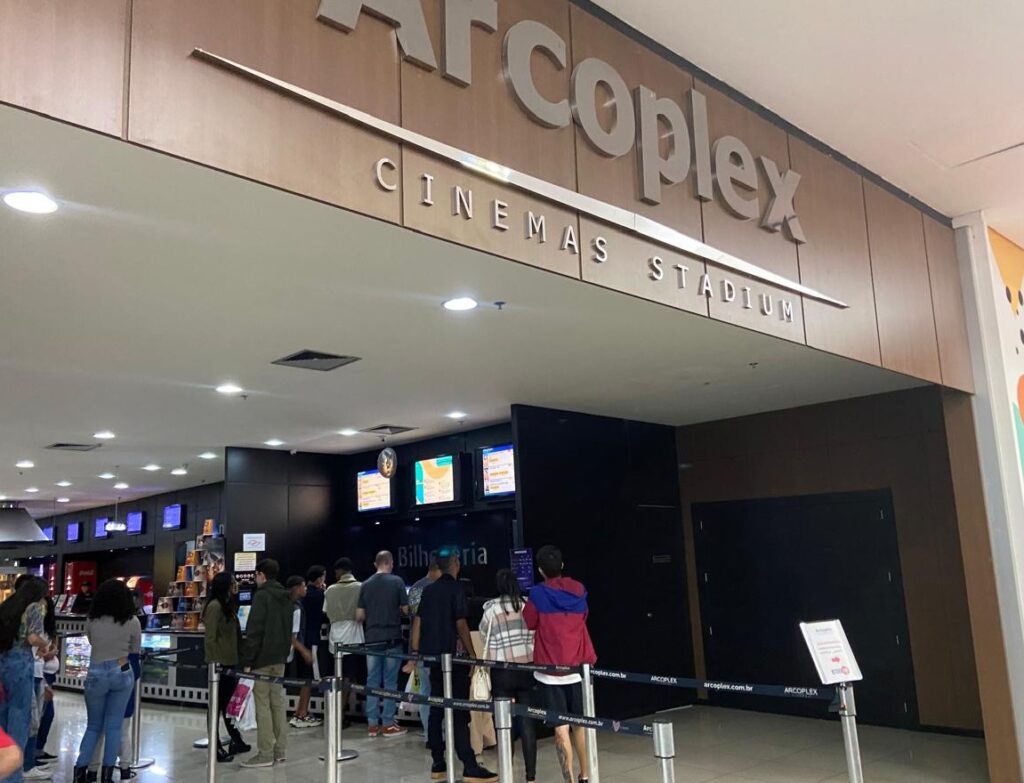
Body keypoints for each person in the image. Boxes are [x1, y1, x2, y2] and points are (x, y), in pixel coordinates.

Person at [407, 546, 497, 783]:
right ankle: (469, 765)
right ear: (455, 564)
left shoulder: (428, 591)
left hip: (433, 658)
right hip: (454, 660)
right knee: (459, 711)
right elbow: (461, 624)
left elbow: (417, 623)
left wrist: (415, 652)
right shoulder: (457, 589)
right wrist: (473, 654)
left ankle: (438, 763)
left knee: (436, 709)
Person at [523, 546, 597, 783]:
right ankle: (586, 774)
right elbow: (584, 616)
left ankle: (569, 780)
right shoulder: (579, 590)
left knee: (560, 727)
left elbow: (529, 622)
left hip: (550, 672)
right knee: (580, 724)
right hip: (576, 667)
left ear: (540, 570)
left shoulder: (537, 593)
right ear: (562, 565)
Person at [72, 579, 142, 783]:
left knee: (93, 726)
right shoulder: (133, 621)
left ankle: (80, 771)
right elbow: (134, 650)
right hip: (122, 669)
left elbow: (91, 642)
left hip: (96, 671)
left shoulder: (92, 620)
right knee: (114, 727)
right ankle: (107, 774)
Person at [480, 570, 537, 783]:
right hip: (526, 668)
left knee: (504, 723)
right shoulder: (527, 606)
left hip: (502, 671)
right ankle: (531, 776)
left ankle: (507, 772)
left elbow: (484, 635)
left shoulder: (491, 610)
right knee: (527, 722)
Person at [238, 559, 293, 769]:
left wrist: (248, 660)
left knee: (262, 704)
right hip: (279, 658)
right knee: (277, 702)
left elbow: (255, 630)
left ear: (261, 574)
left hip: (262, 658)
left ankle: (265, 753)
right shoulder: (286, 596)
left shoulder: (262, 596)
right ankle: (280, 751)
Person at [0, 576, 51, 783]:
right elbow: (32, 637)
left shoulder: (8, 606)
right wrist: (45, 644)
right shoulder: (35, 607)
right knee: (20, 719)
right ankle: (12, 778)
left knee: (3, 717)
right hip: (21, 663)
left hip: (3, 661)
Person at [356, 552, 409, 738]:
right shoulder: (397, 582)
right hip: (392, 637)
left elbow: (359, 615)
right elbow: (406, 610)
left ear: (375, 564)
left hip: (372, 639)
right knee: (390, 682)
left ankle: (372, 724)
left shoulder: (365, 584)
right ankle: (388, 724)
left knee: (372, 681)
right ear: (390, 563)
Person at [203, 574, 250, 760]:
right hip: (220, 665)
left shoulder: (228, 605)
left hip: (230, 662)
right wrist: (213, 662)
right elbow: (210, 637)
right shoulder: (215, 607)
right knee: (216, 706)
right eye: (232, 582)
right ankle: (215, 747)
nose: (236, 585)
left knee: (229, 705)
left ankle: (236, 740)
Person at [322, 557, 364, 711]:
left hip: (335, 637)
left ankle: (337, 710)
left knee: (337, 676)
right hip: (354, 636)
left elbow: (325, 611)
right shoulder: (361, 587)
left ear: (339, 571)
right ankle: (342, 710)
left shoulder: (330, 590)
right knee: (349, 676)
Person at [407, 560, 441, 735]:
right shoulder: (437, 588)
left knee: (424, 691)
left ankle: (429, 733)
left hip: (418, 646)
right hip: (435, 647)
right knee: (437, 691)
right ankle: (439, 732)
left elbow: (412, 616)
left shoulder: (415, 587)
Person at [295, 566, 326, 728]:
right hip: (311, 640)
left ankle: (299, 711)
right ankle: (302, 713)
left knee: (304, 677)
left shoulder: (302, 597)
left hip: (300, 639)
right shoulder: (319, 595)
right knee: (309, 678)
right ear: (320, 578)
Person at [284, 576, 316, 728]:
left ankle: (300, 712)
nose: (306, 589)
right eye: (303, 586)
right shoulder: (296, 608)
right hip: (292, 651)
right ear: (296, 588)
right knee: (306, 679)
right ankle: (301, 713)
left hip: (284, 652)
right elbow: (291, 635)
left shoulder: (284, 604)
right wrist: (304, 651)